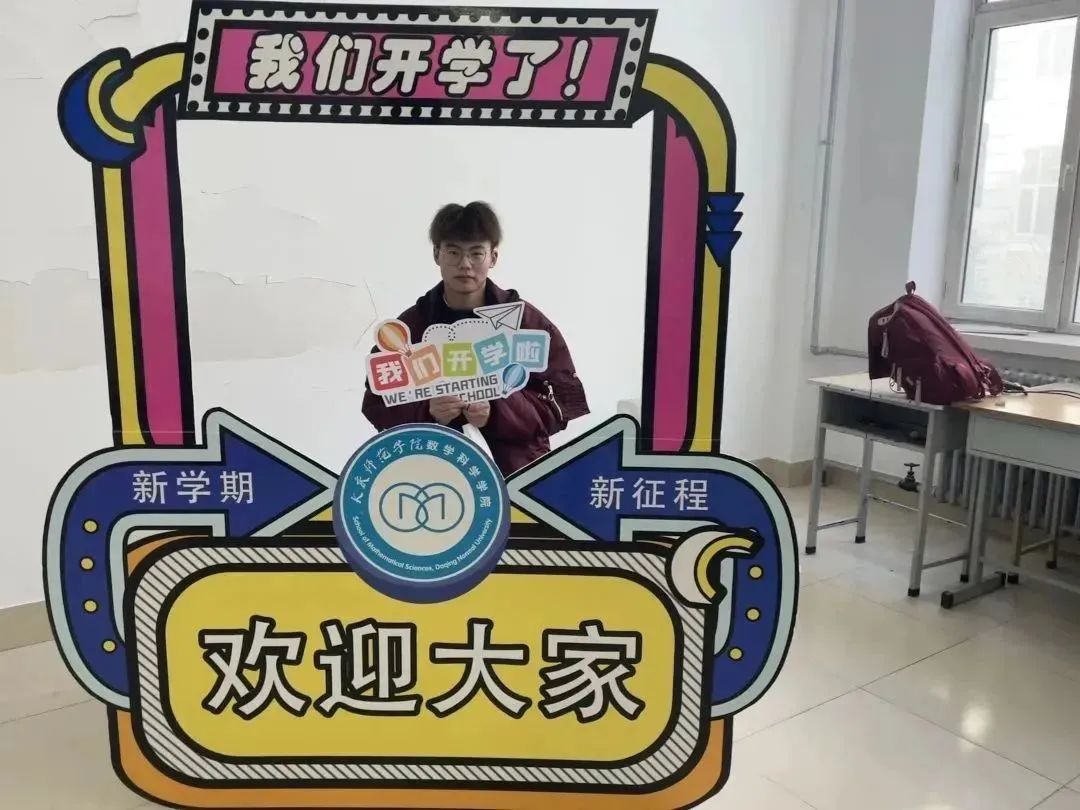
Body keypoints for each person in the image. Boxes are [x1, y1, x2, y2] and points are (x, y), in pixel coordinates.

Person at [361, 201, 589, 477]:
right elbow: (377, 404)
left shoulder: (527, 325)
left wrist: (497, 412)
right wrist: (427, 412)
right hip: (435, 477)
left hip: (515, 477)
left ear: (493, 257)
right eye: (453, 252)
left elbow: (562, 404)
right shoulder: (410, 328)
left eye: (476, 253)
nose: (465, 264)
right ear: (436, 254)